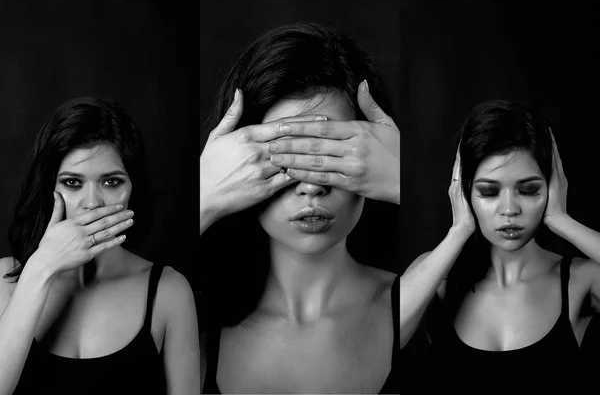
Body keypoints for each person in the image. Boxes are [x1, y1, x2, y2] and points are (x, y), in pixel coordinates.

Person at [199, 22, 401, 393]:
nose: (312, 185)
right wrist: (205, 195)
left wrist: (405, 175)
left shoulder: (424, 299)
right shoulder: (191, 319)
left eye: (333, 153)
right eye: (285, 152)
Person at [0, 97, 200, 395]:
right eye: (72, 183)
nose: (92, 203)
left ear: (133, 188)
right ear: (48, 188)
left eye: (111, 182)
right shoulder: (5, 280)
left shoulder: (169, 292)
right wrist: (41, 268)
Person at [399, 100, 600, 394]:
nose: (509, 209)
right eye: (489, 191)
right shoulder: (437, 276)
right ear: (464, 194)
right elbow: (378, 344)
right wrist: (459, 231)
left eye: (529, 190)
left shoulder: (581, 279)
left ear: (552, 190)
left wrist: (561, 219)